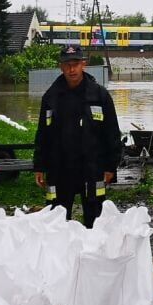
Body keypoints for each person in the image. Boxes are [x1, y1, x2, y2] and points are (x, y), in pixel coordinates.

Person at [33, 45, 122, 228]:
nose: (71, 69)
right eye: (67, 65)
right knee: (56, 219)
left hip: (92, 168)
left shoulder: (99, 96)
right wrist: (40, 166)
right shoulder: (51, 97)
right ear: (61, 67)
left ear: (84, 65)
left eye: (75, 64)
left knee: (96, 220)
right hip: (60, 168)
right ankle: (59, 254)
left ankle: (94, 252)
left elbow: (111, 132)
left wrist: (110, 167)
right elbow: (43, 134)